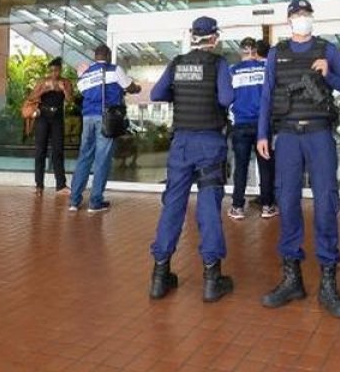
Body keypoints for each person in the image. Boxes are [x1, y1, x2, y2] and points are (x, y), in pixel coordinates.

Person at [257, 0, 340, 319]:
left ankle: (328, 280)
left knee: (326, 202)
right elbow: (267, 94)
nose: (302, 19)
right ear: (289, 21)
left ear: (312, 18)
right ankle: (292, 278)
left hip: (318, 134)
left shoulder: (327, 50)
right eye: (296, 15)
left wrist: (328, 74)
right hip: (286, 136)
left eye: (306, 14)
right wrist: (262, 134)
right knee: (286, 202)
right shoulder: (277, 52)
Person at [147, 16, 236, 302]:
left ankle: (160, 277)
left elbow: (157, 92)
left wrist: (180, 92)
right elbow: (225, 99)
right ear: (214, 38)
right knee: (208, 205)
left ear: (192, 36)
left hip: (181, 143)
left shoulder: (176, 63)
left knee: (173, 204)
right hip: (209, 141)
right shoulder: (218, 64)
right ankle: (212, 279)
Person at [69, 44, 140, 214]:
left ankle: (74, 201)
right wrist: (137, 88)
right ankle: (95, 202)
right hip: (105, 119)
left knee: (84, 157)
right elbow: (129, 86)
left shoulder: (85, 74)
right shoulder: (114, 70)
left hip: (87, 119)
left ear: (95, 56)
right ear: (108, 56)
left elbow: (83, 92)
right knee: (102, 160)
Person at [227, 37, 277, 220]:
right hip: (262, 126)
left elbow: (226, 97)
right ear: (255, 51)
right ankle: (267, 206)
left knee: (240, 167)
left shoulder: (231, 71)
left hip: (240, 124)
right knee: (265, 167)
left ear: (241, 52)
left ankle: (237, 207)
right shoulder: (265, 70)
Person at [28, 58, 74, 195]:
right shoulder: (43, 81)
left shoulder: (65, 82)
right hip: (43, 116)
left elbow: (71, 100)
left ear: (60, 70)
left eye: (57, 70)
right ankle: (39, 185)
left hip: (57, 118)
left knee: (58, 150)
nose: (54, 73)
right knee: (40, 150)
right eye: (51, 70)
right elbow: (31, 97)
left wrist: (64, 90)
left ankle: (61, 185)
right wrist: (44, 90)